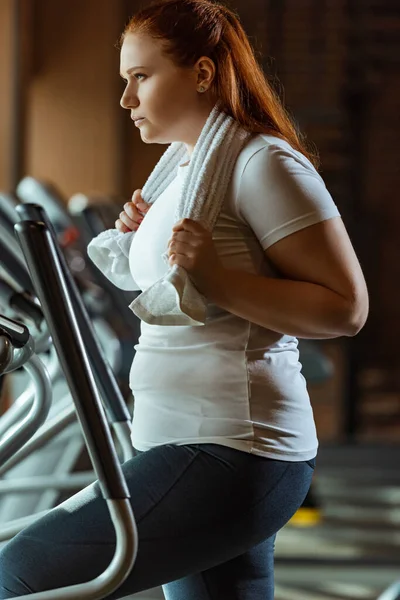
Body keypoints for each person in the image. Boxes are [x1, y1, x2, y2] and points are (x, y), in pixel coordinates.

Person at [0, 0, 369, 598]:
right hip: (186, 442)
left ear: (201, 73)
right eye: (125, 81)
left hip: (230, 449)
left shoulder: (263, 163)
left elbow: (346, 308)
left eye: (140, 77)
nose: (127, 100)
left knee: (20, 575)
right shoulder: (185, 172)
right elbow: (183, 274)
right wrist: (137, 235)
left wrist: (219, 279)